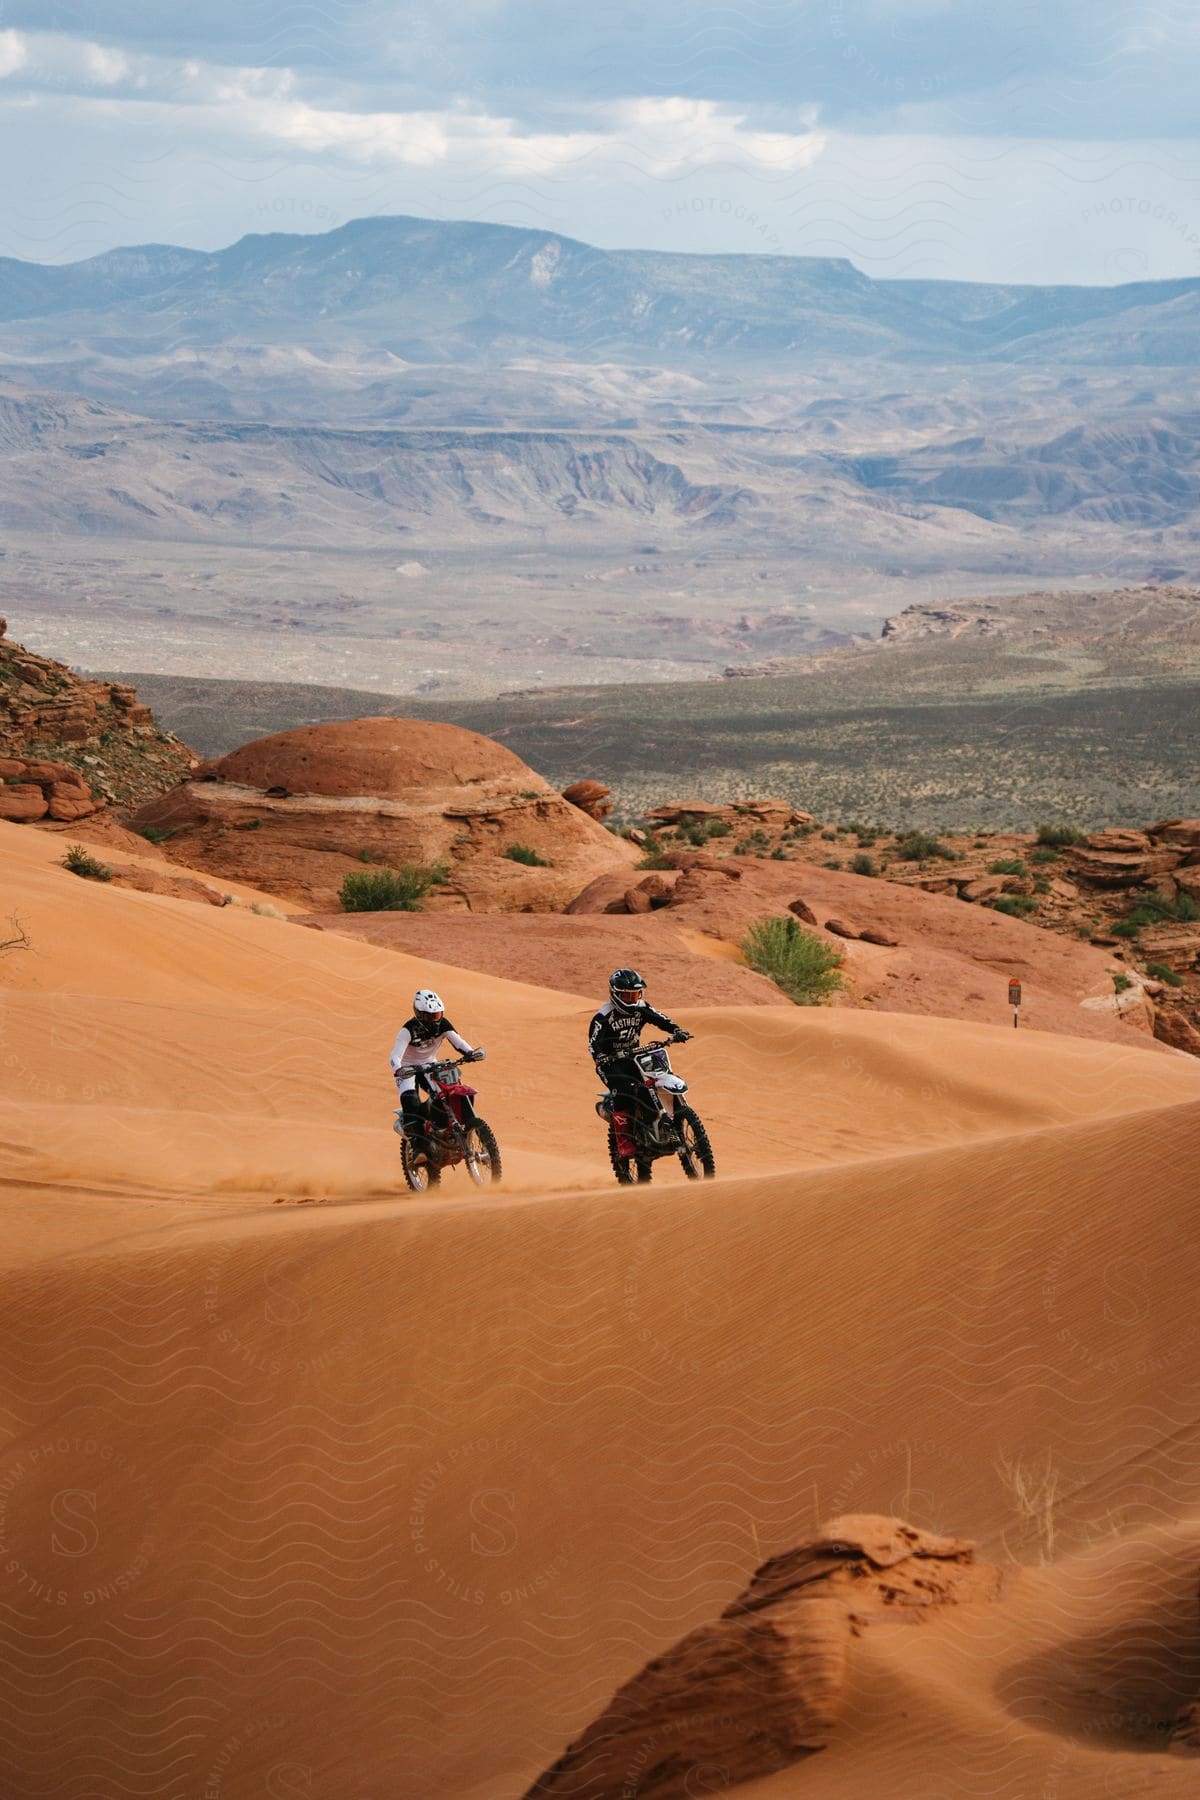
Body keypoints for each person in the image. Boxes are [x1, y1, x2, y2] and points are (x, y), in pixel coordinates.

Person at [588, 968, 690, 1158]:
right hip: (610, 1062)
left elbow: (660, 1019)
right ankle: (624, 1141)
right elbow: (593, 1044)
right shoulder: (603, 1017)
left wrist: (677, 1030)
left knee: (653, 1079)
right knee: (624, 1089)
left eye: (635, 994)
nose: (632, 999)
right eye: (627, 995)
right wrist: (601, 1057)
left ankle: (661, 1121)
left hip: (633, 1055)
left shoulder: (641, 1007)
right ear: (616, 994)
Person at [390, 989, 484, 1164]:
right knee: (410, 1100)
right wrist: (399, 1069)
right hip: (407, 1068)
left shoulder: (443, 1024)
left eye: (438, 1014)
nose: (435, 1019)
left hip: (430, 1064)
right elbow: (395, 1056)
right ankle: (418, 1149)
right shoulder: (408, 1030)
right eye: (430, 1016)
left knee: (446, 1092)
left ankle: (451, 1127)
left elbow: (458, 1042)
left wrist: (471, 1052)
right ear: (419, 1014)